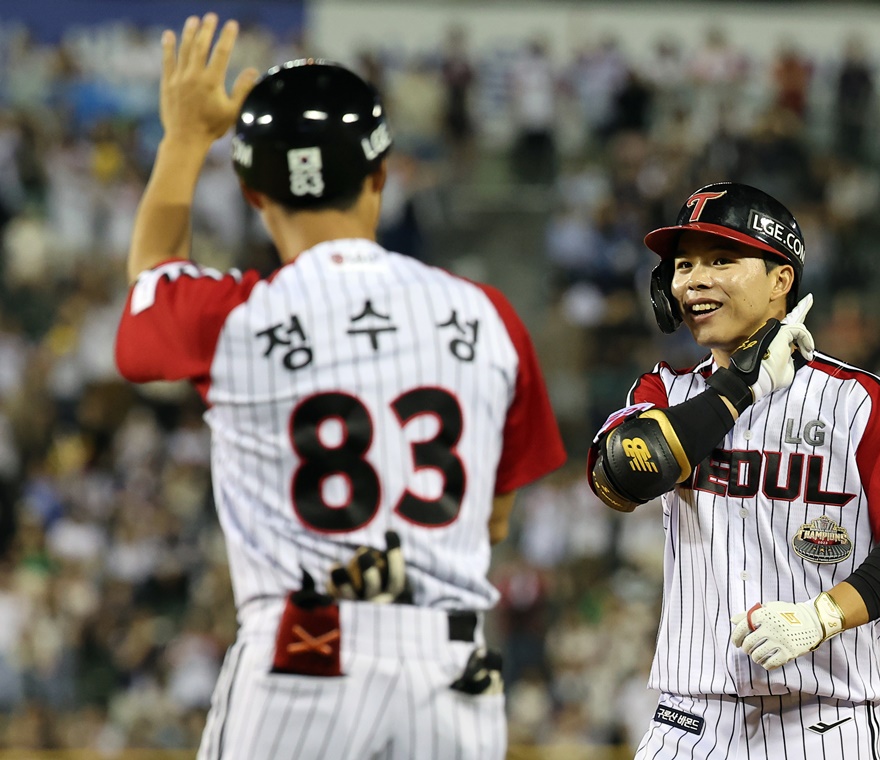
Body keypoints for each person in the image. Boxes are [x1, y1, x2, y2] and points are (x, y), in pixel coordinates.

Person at [114, 14, 566, 760]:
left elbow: (150, 283)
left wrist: (186, 138)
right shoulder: (489, 318)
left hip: (304, 657)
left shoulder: (230, 318)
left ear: (253, 194)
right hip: (451, 672)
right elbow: (492, 521)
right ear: (381, 174)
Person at [587, 181, 880, 759]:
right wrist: (740, 386)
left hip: (822, 723)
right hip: (687, 719)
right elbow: (620, 475)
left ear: (780, 280)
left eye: (722, 259)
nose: (695, 279)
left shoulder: (859, 400)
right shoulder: (664, 390)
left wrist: (824, 614)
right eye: (684, 263)